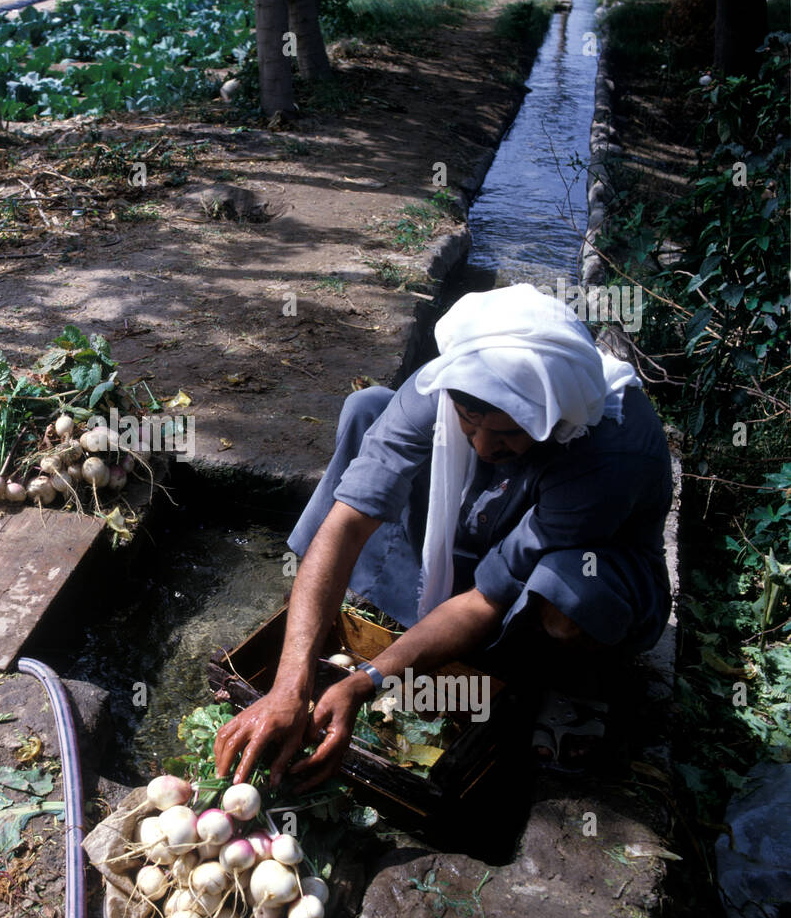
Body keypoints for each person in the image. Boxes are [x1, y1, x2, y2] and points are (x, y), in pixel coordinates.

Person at [214, 283, 674, 787]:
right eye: (468, 425)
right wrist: (289, 683)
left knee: (570, 589)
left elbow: (486, 600)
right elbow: (346, 523)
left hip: (597, 570)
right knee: (369, 408)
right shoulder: (448, 383)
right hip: (492, 530)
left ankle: (574, 684)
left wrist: (365, 682)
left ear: (549, 417)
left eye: (505, 435)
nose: (481, 447)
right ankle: (370, 618)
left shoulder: (607, 453)